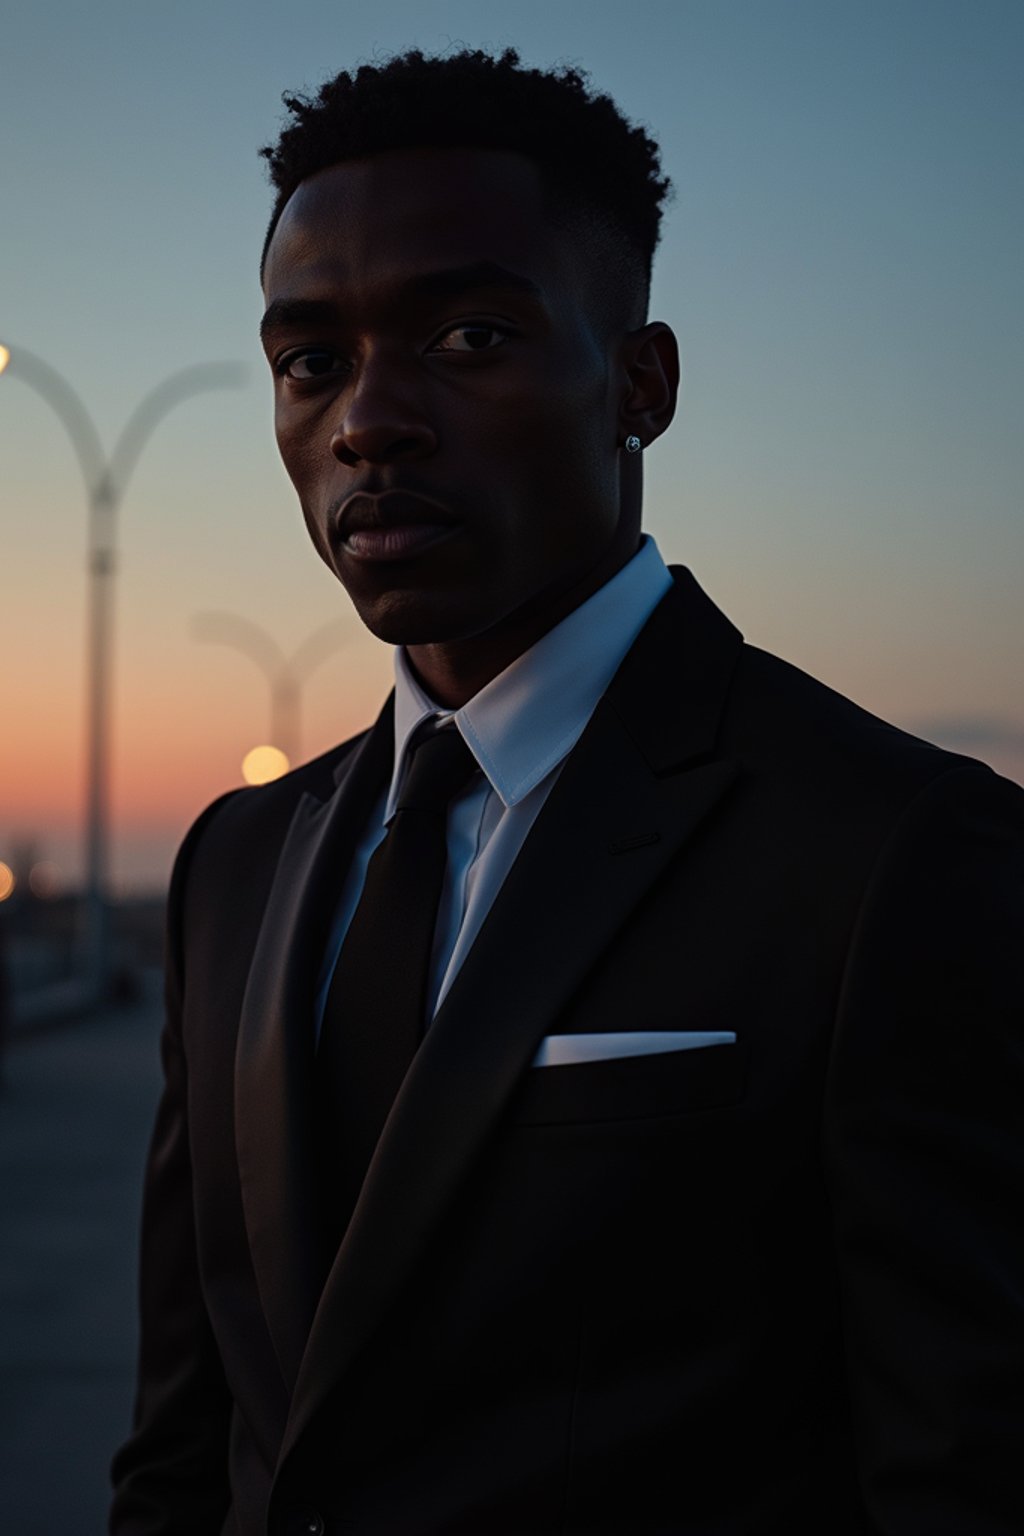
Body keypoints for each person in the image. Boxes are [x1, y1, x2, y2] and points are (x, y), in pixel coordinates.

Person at [110, 48, 1024, 1536]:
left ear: (641, 386)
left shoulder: (893, 848)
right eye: (308, 361)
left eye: (468, 336)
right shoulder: (237, 862)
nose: (366, 421)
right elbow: (183, 1443)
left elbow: (967, 1470)